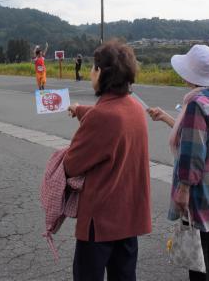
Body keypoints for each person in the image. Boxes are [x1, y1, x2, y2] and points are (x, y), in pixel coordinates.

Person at [63, 41, 151, 281]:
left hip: (100, 220)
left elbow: (71, 165)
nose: (91, 72)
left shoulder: (103, 117)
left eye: (93, 67)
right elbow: (109, 116)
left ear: (100, 72)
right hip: (128, 215)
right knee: (124, 275)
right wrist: (80, 109)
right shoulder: (133, 107)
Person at [147, 44, 209, 281]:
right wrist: (167, 117)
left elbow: (193, 151)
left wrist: (183, 189)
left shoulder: (197, 104)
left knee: (197, 250)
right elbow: (200, 136)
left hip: (200, 189)